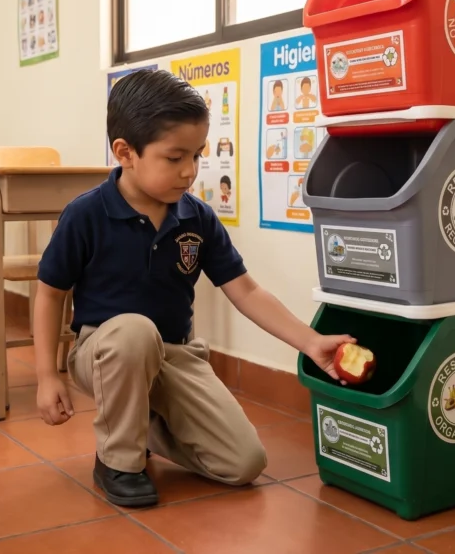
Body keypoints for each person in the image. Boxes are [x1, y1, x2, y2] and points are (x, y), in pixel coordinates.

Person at [33, 69, 354, 508]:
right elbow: (50, 293)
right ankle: (118, 461)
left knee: (243, 463)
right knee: (133, 332)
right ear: (125, 152)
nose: (190, 171)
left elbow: (245, 290)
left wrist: (310, 341)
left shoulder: (196, 217)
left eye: (197, 155)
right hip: (105, 352)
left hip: (175, 355)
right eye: (174, 157)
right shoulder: (86, 214)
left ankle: (142, 424)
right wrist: (47, 376)